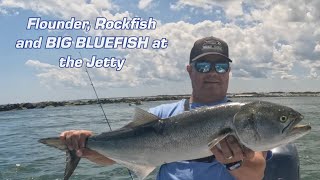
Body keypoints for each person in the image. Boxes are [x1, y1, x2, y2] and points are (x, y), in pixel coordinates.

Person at [60, 36, 269, 179]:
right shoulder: (160, 115)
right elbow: (112, 156)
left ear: (228, 71)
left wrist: (234, 163)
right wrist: (85, 146)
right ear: (189, 70)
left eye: (220, 66)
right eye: (203, 66)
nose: (212, 72)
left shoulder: (244, 117)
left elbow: (256, 173)